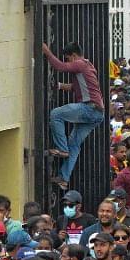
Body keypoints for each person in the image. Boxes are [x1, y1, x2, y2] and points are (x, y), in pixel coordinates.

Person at [41, 42, 104, 188]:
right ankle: (64, 178)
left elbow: (61, 67)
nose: (68, 62)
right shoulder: (88, 66)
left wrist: (47, 52)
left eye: (68, 58)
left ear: (73, 55)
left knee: (56, 114)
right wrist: (58, 85)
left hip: (89, 108)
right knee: (74, 144)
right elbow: (76, 87)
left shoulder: (80, 64)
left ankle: (62, 149)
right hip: (97, 112)